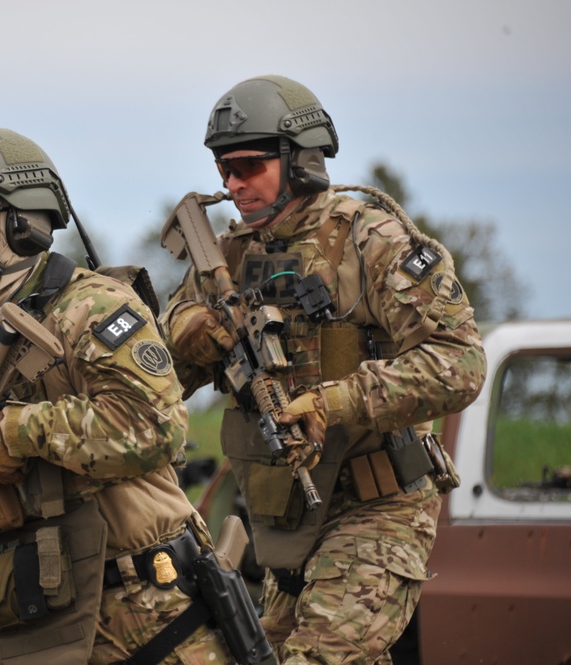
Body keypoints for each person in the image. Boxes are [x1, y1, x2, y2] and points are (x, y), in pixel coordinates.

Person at [160, 75, 487, 664]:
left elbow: (459, 364)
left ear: (300, 161)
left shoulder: (373, 240)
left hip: (376, 507)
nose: (233, 185)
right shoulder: (229, 258)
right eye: (223, 170)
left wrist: (334, 401)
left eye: (249, 167)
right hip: (283, 517)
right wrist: (192, 333)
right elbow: (157, 376)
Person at [0, 127, 238, 665]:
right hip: (38, 618)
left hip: (146, 615)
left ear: (21, 226)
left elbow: (156, 427)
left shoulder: (92, 307)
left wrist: (15, 432)